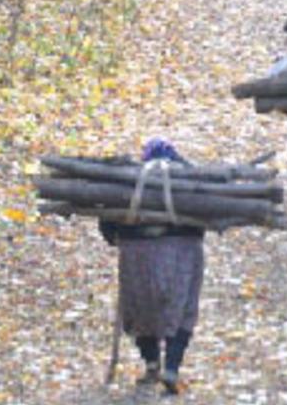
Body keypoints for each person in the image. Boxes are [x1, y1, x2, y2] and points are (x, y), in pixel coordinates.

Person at [98, 138, 205, 395]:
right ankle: (172, 366)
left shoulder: (128, 182)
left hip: (137, 253)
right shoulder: (191, 179)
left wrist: (117, 237)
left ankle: (151, 363)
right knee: (182, 307)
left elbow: (107, 221)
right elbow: (206, 216)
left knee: (139, 307)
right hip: (183, 252)